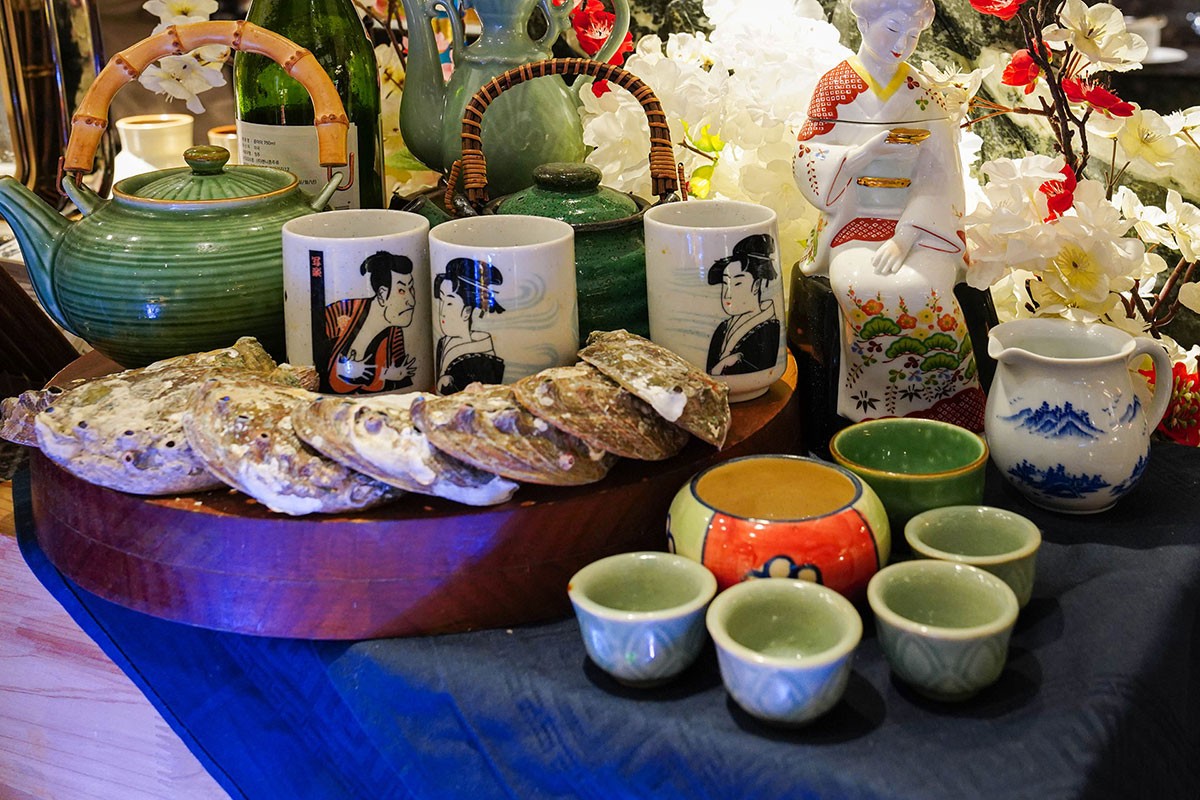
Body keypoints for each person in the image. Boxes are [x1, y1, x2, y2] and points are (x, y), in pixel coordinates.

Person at [792, 0, 984, 431]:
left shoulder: (922, 92)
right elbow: (807, 155)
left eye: (913, 35)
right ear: (864, 20)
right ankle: (874, 411)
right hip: (852, 219)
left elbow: (942, 176)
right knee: (861, 285)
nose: (903, 44)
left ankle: (946, 409)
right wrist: (862, 154)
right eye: (893, 28)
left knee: (926, 287)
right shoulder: (836, 85)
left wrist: (905, 236)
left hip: (920, 223)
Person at [323, 250, 418, 393]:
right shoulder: (342, 312)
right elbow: (314, 362)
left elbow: (402, 386)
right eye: (401, 291)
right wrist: (341, 368)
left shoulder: (395, 334)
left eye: (411, 289)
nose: (411, 301)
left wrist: (388, 375)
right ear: (382, 294)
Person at [705, 233, 782, 376]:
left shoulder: (769, 328)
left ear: (756, 285)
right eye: (725, 283)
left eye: (737, 283)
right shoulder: (723, 328)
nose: (727, 294)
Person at [433, 257, 506, 394]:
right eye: (441, 300)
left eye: (449, 303)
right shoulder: (443, 343)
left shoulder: (481, 356)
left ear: (466, 312)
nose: (441, 311)